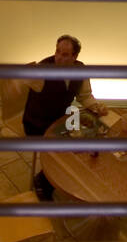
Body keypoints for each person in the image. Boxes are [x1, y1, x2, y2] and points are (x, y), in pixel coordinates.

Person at [22, 35, 107, 199]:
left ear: (75, 57)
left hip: (60, 120)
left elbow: (85, 96)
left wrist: (97, 107)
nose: (59, 57)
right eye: (58, 51)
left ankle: (64, 179)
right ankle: (43, 183)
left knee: (89, 138)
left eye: (65, 54)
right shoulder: (42, 70)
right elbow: (25, 83)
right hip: (37, 123)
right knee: (68, 149)